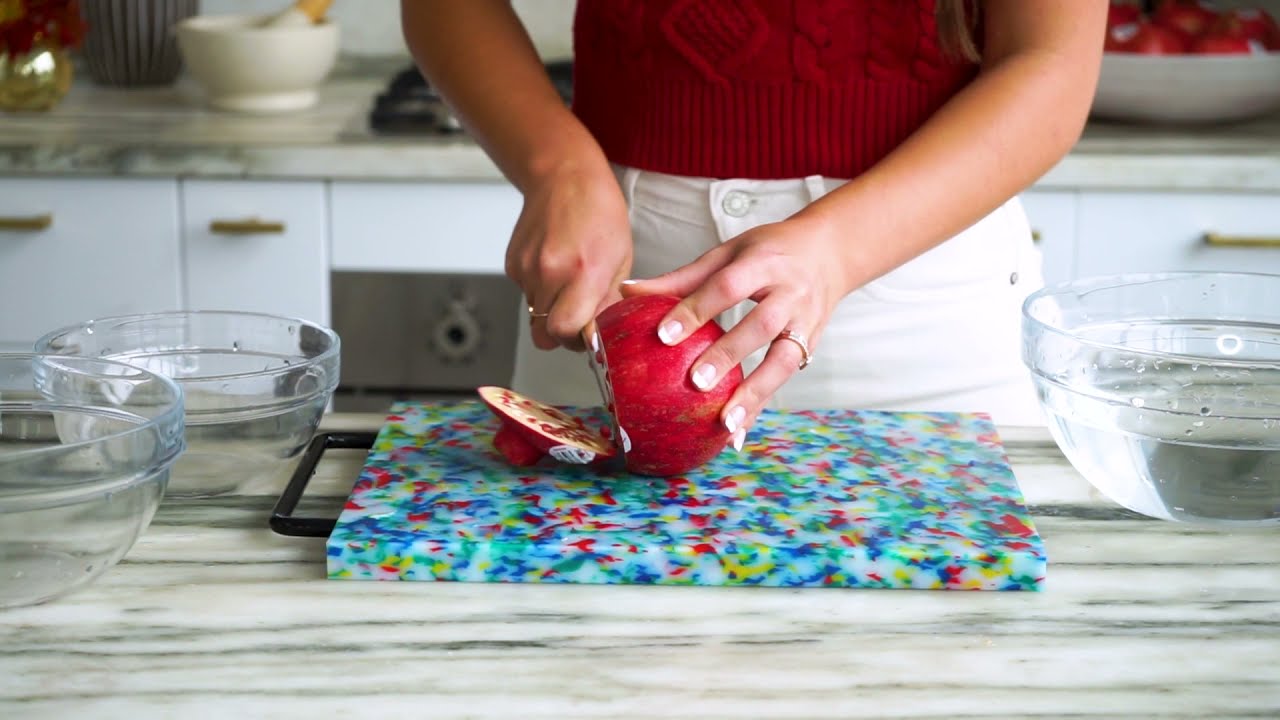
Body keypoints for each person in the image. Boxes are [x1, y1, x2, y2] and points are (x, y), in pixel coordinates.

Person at [400, 0, 1107, 449]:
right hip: (620, 294)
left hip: (922, 306)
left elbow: (1052, 59)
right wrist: (558, 167)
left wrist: (835, 250)